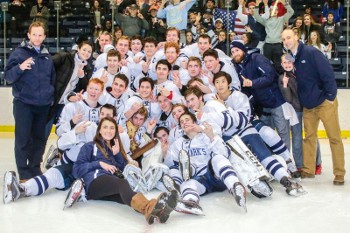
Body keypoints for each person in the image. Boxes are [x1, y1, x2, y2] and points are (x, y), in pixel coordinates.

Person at [71, 117, 178, 224]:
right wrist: (99, 164)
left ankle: (156, 211)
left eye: (112, 128)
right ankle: (150, 207)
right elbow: (76, 170)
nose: (108, 131)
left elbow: (122, 169)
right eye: (105, 127)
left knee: (126, 196)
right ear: (99, 130)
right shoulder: (90, 146)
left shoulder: (114, 148)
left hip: (105, 187)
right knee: (122, 183)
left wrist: (117, 154)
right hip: (94, 182)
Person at [2, 104, 116, 204]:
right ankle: (22, 189)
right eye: (102, 113)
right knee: (52, 176)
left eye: (108, 115)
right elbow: (61, 143)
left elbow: (120, 160)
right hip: (71, 165)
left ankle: (82, 193)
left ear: (114, 118)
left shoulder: (117, 137)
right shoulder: (88, 126)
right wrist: (75, 132)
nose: (104, 117)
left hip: (90, 172)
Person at [281, 28, 345, 185]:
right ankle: (309, 169)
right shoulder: (291, 58)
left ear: (296, 36)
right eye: (283, 39)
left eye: (289, 37)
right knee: (309, 138)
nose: (286, 41)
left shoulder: (311, 52)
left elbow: (328, 73)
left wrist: (330, 97)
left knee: (334, 138)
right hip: (308, 106)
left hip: (324, 103)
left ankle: (339, 173)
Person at [164, 111, 247, 211]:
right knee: (187, 184)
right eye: (181, 122)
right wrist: (164, 152)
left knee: (218, 158)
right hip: (201, 180)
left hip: (215, 175)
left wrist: (211, 136)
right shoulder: (178, 143)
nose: (184, 123)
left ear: (195, 122)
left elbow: (224, 154)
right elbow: (170, 164)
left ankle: (235, 187)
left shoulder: (206, 134)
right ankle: (190, 203)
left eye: (187, 120)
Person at [4, 21, 55, 181]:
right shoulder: (19, 53)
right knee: (23, 139)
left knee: (39, 139)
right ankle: (24, 173)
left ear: (44, 36)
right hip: (24, 104)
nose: (37, 37)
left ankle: (34, 168)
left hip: (43, 105)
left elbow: (51, 79)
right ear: (28, 35)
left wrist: (50, 96)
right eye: (34, 34)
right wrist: (20, 67)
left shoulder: (47, 56)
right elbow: (8, 77)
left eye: (40, 35)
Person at [230, 40, 294, 152]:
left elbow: (270, 76)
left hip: (277, 102)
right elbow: (245, 89)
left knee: (283, 133)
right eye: (232, 52)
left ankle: (287, 162)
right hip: (263, 106)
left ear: (243, 50)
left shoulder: (256, 58)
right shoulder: (238, 67)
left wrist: (253, 83)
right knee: (267, 136)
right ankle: (274, 161)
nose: (235, 53)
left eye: (237, 50)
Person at [278, 53, 322, 173]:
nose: (287, 65)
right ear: (281, 64)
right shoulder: (282, 78)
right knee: (297, 138)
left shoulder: (302, 73)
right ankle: (299, 165)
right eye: (284, 63)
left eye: (289, 62)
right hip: (296, 111)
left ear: (293, 62)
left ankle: (317, 163)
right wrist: (286, 86)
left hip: (309, 108)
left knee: (311, 136)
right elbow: (288, 99)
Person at [47, 41, 94, 139]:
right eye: (84, 50)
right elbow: (47, 65)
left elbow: (84, 88)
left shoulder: (88, 68)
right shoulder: (65, 57)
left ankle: (61, 152)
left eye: (89, 51)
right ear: (78, 49)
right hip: (52, 99)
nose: (86, 53)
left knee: (64, 131)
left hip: (66, 102)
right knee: (44, 130)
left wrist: (82, 77)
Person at [253, 0, 294, 74]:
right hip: (268, 45)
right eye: (272, 10)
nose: (274, 11)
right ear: (270, 11)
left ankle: (280, 79)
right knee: (266, 64)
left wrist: (285, 3)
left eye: (276, 10)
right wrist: (257, 5)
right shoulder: (266, 21)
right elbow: (256, 16)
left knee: (278, 64)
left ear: (278, 11)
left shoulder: (281, 19)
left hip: (278, 45)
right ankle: (267, 78)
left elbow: (291, 12)